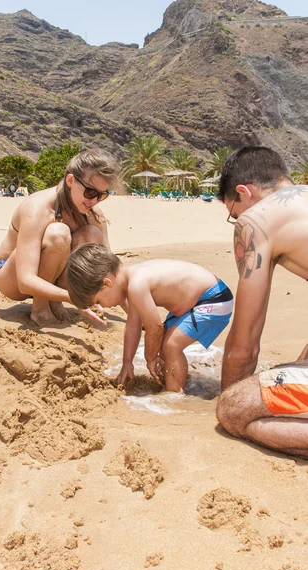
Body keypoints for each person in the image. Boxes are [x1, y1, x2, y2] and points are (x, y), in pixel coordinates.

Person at [215, 145, 308, 457]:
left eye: (233, 214)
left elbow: (245, 342)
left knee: (233, 407)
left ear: (245, 192)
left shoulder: (256, 221)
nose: (237, 221)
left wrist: (227, 395)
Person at [66, 244, 233, 392]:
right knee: (163, 345)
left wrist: (150, 358)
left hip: (213, 299)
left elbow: (155, 327)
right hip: (195, 303)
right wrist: (127, 362)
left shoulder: (137, 285)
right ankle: (174, 379)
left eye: (98, 301)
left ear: (107, 283)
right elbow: (132, 327)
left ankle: (174, 394)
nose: (103, 307)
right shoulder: (131, 280)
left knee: (171, 345)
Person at [0, 149, 121, 327]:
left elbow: (111, 268)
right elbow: (25, 281)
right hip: (11, 276)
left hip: (52, 273)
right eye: (90, 192)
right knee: (58, 234)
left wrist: (138, 311)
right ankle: (40, 309)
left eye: (101, 195)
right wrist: (74, 299)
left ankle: (54, 300)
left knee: (92, 234)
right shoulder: (37, 209)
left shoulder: (93, 213)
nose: (94, 201)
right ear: (70, 180)